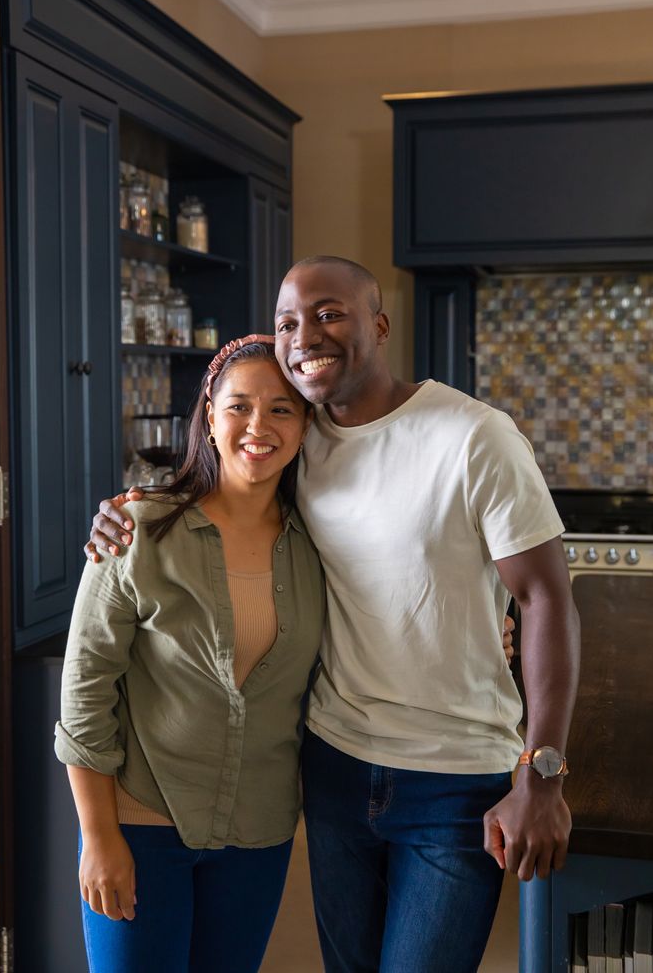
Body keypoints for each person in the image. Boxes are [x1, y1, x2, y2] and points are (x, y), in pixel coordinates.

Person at [88, 257, 580, 973]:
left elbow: (547, 600)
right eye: (289, 321)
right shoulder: (299, 439)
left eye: (328, 313)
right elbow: (222, 482)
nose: (305, 335)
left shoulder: (475, 437)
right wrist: (120, 512)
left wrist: (543, 775)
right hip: (335, 766)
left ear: (378, 325)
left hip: (454, 777)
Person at [55, 337, 326, 973]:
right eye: (239, 406)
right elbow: (85, 689)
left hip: (258, 830)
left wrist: (495, 630)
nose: (258, 427)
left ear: (307, 424)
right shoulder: (139, 530)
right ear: (209, 414)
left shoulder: (322, 547)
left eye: (282, 409)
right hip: (139, 821)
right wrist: (98, 836)